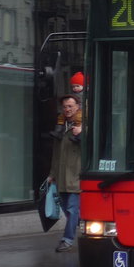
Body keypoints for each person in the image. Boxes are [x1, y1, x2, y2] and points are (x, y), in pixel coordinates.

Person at [47, 95, 83, 252]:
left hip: (76, 175)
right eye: (65, 106)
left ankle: (67, 239)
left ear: (78, 106)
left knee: (72, 208)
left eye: (70, 106)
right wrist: (52, 174)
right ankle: (82, 222)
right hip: (61, 175)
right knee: (64, 206)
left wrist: (82, 133)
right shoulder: (60, 127)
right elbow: (55, 153)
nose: (67, 109)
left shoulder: (83, 125)